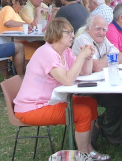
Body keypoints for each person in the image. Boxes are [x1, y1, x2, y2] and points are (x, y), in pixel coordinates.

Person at [13, 17, 109, 161]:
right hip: (31, 108)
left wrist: (87, 57)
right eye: (68, 32)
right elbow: (68, 80)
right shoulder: (47, 53)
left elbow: (85, 73)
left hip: (49, 101)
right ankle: (82, 155)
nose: (72, 35)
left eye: (72, 32)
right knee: (83, 112)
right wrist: (81, 56)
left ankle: (89, 150)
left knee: (90, 102)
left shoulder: (65, 51)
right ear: (55, 34)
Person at [72, 15, 122, 146]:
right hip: (85, 87)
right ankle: (109, 131)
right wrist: (109, 57)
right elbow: (96, 66)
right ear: (88, 29)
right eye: (98, 29)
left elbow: (121, 57)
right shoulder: (83, 41)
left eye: (104, 30)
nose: (102, 33)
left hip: (101, 84)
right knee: (117, 102)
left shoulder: (103, 39)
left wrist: (104, 58)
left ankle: (103, 124)